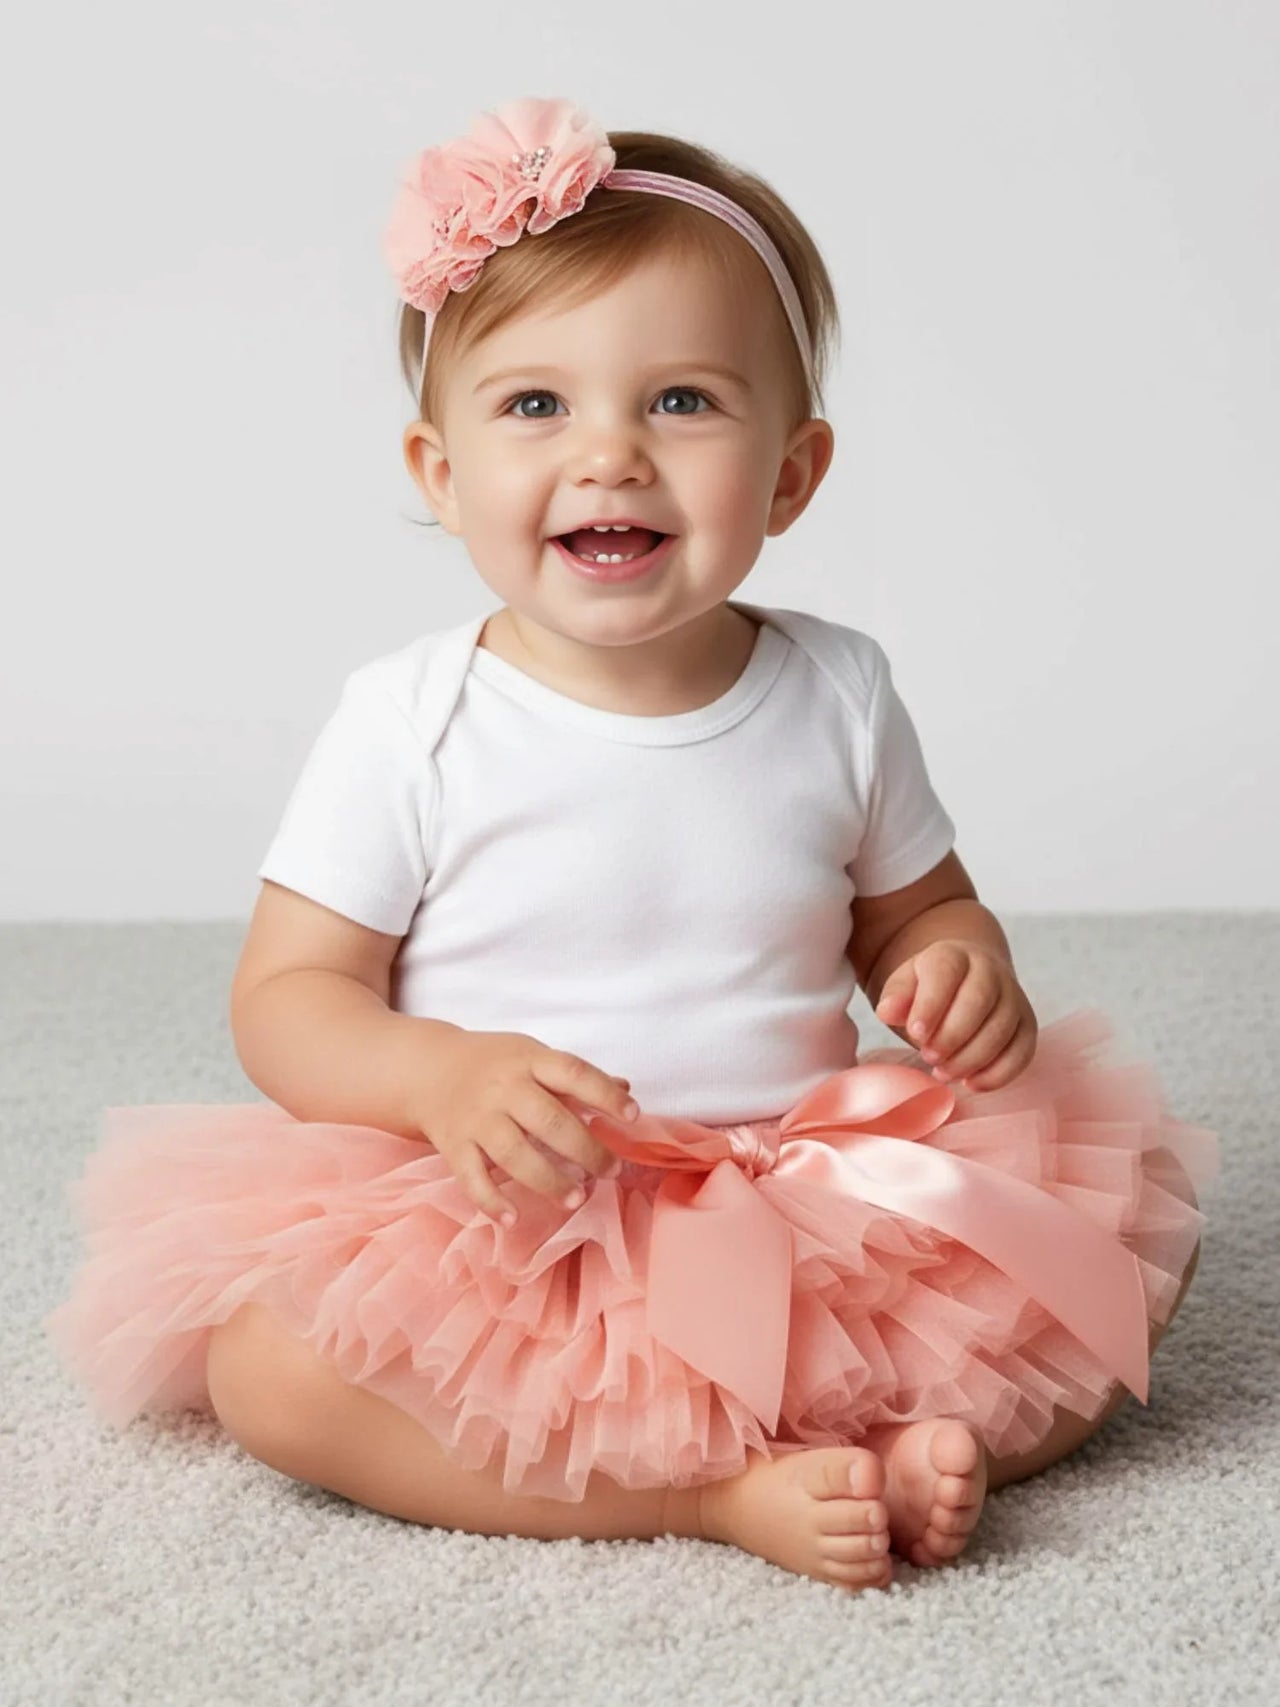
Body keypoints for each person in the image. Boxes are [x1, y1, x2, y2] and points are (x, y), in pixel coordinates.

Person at [45, 96, 1217, 1594]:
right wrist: (439, 1073)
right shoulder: (412, 719)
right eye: (536, 406)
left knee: (1116, 1271)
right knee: (274, 1374)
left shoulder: (836, 691)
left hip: (803, 1180)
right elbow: (286, 997)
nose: (609, 456)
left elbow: (917, 910)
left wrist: (955, 964)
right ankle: (715, 1496)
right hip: (519, 1210)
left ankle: (921, 1430)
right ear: (439, 471)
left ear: (792, 475)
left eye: (681, 403)